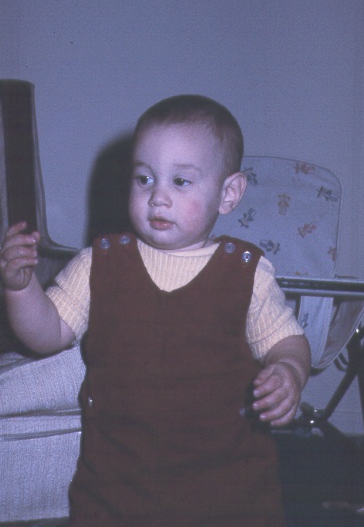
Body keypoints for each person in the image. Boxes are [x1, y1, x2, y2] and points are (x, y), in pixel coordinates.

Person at [0, 94, 311, 526]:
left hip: (227, 489)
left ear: (228, 193)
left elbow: (287, 341)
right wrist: (19, 289)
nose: (158, 197)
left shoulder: (246, 273)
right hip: (116, 487)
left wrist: (289, 371)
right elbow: (48, 333)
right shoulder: (98, 263)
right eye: (144, 178)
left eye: (180, 181)